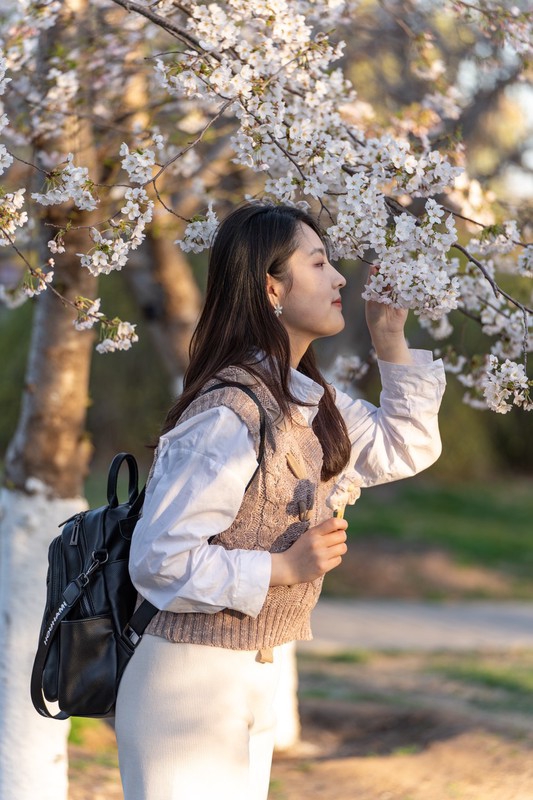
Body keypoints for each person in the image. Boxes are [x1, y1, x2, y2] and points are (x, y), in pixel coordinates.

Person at [115, 201, 446, 800]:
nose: (340, 277)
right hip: (189, 688)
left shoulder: (305, 400)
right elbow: (158, 558)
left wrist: (389, 338)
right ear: (273, 286)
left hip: (254, 679)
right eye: (318, 263)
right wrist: (283, 568)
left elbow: (406, 447)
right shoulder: (228, 412)